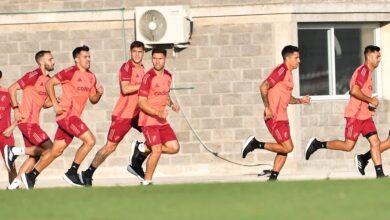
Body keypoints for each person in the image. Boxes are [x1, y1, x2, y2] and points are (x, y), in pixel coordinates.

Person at [21, 45, 104, 189]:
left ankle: (31, 176)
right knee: (90, 141)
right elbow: (49, 83)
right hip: (67, 116)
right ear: (77, 59)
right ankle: (72, 172)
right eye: (85, 57)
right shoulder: (70, 72)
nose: (88, 59)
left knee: (56, 151)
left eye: (89, 57)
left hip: (73, 117)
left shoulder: (91, 76)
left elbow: (93, 99)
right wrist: (55, 104)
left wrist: (99, 94)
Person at [305, 45, 385, 178]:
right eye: (377, 56)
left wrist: (369, 107)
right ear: (369, 56)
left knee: (375, 142)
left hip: (365, 117)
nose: (379, 59)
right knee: (348, 146)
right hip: (355, 116)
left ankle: (380, 174)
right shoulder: (364, 71)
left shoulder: (368, 73)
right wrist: (370, 99)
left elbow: (361, 94)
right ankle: (318, 144)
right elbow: (354, 90)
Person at [80, 41, 146, 186]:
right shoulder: (127, 67)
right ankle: (87, 173)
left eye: (140, 52)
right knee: (110, 147)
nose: (137, 54)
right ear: (130, 52)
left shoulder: (142, 68)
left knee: (156, 136)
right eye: (134, 51)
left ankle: (136, 161)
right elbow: (126, 89)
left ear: (143, 53)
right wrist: (144, 84)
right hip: (123, 115)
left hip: (137, 114)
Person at [241, 45, 311, 181]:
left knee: (284, 148)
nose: (299, 61)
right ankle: (255, 144)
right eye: (296, 58)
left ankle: (273, 177)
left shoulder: (289, 75)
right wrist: (267, 107)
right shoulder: (281, 70)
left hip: (282, 117)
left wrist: (300, 100)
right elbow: (263, 86)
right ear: (288, 58)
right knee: (288, 147)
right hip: (274, 116)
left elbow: (287, 98)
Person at [6, 51, 55, 189]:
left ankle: (13, 186)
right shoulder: (33, 75)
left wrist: (55, 101)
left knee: (35, 157)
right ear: (41, 62)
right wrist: (15, 109)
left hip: (33, 123)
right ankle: (14, 151)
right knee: (50, 149)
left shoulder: (48, 80)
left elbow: (45, 104)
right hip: (27, 122)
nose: (53, 61)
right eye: (50, 59)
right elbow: (12, 88)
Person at [136, 48, 181, 185]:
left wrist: (172, 104)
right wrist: (157, 113)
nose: (157, 61)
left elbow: (164, 94)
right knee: (157, 150)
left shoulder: (168, 75)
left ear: (165, 59)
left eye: (160, 58)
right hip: (148, 120)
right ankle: (147, 181)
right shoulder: (148, 77)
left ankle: (142, 147)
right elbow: (141, 103)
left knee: (174, 148)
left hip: (161, 121)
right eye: (154, 58)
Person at [0, 70, 18, 185]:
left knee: (10, 165)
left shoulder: (8, 93)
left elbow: (21, 114)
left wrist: (12, 127)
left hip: (5, 135)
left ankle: (14, 189)